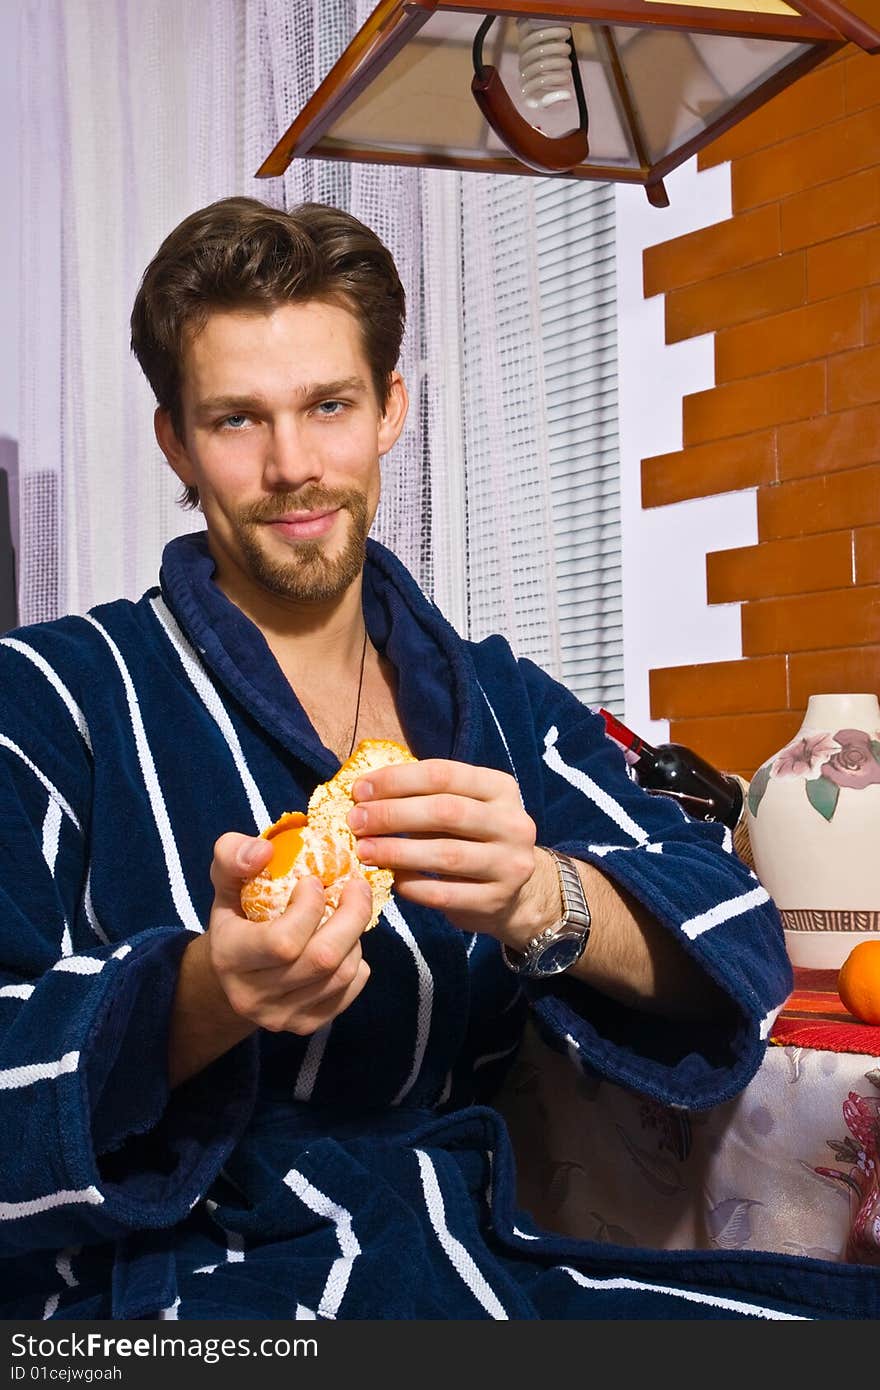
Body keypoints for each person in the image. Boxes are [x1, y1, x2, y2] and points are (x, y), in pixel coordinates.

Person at [0, 197, 873, 1323]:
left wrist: (543, 896)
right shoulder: (49, 693)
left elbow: (736, 933)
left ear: (388, 410)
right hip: (172, 1290)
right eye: (235, 420)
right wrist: (203, 997)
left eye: (328, 406)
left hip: (454, 1247)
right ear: (175, 439)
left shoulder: (492, 696)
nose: (293, 465)